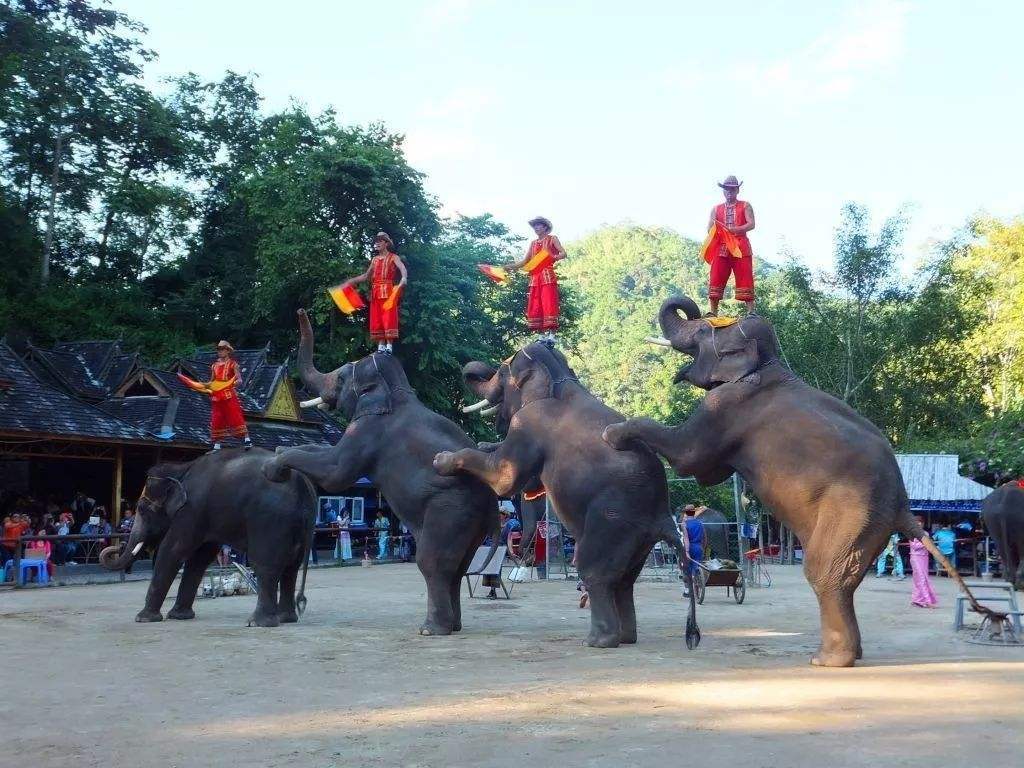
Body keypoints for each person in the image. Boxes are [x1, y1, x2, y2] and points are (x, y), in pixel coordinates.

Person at [339, 232, 408, 353]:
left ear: (386, 243)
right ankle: (381, 347)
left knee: (389, 317)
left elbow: (402, 268)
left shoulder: (393, 257)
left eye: (379, 241)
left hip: (388, 291)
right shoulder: (375, 260)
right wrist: (352, 281)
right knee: (377, 318)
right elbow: (366, 276)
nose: (376, 243)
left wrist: (404, 278)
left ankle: (389, 347)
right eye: (375, 241)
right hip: (376, 292)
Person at [506, 216, 567, 345]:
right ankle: (541, 335)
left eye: (538, 225)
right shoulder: (533, 243)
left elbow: (563, 253)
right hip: (535, 278)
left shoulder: (552, 239)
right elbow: (525, 261)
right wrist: (510, 267)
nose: (536, 228)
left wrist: (553, 257)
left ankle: (551, 335)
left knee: (549, 303)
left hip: (547, 277)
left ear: (545, 227)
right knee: (535, 305)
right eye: (534, 226)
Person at [705, 175, 756, 316]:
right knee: (716, 276)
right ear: (723, 190)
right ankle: (713, 311)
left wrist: (735, 230)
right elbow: (709, 227)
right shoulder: (716, 209)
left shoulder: (745, 205)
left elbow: (751, 224)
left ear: (737, 190)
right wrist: (716, 232)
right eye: (726, 189)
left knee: (745, 276)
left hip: (740, 247)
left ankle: (751, 311)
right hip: (721, 247)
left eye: (732, 189)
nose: (729, 192)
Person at [909, 517, 938, 608]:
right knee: (920, 579)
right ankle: (927, 601)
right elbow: (914, 546)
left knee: (924, 579)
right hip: (915, 557)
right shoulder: (911, 533)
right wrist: (925, 543)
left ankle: (917, 599)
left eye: (920, 522)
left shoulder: (925, 533)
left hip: (924, 557)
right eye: (917, 522)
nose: (919, 524)